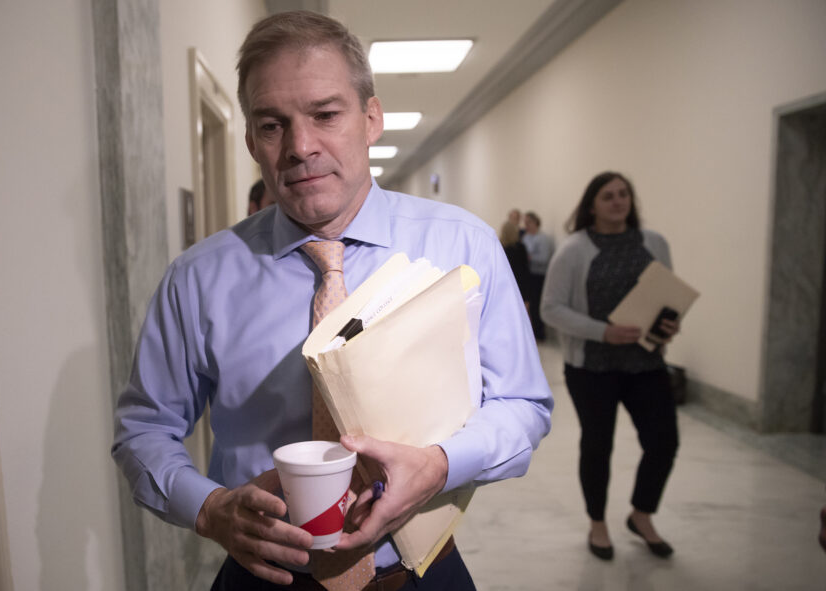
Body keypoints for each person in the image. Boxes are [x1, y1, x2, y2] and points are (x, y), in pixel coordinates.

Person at [112, 11, 552, 591]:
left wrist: (439, 465)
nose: (299, 146)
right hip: (262, 576)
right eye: (272, 125)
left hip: (420, 571)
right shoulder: (197, 278)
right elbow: (144, 429)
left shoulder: (462, 247)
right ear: (250, 141)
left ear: (371, 118)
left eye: (325, 114)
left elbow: (521, 402)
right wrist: (211, 508)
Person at [540, 171, 680, 561]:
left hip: (646, 363)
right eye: (608, 196)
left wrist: (669, 324)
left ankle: (642, 514)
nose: (618, 202)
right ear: (591, 205)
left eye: (624, 195)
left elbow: (666, 298)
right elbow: (551, 309)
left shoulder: (654, 243)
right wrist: (603, 332)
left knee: (664, 441)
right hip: (592, 368)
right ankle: (598, 523)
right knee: (598, 446)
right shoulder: (574, 250)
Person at [521, 212, 554, 341]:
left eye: (528, 222)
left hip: (539, 276)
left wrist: (529, 257)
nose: (526, 225)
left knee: (536, 305)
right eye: (525, 222)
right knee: (528, 306)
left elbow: (544, 258)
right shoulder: (526, 237)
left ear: (536, 222)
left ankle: (539, 334)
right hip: (528, 275)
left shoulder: (543, 239)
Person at [499, 221, 530, 306]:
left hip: (505, 282)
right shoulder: (520, 247)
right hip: (520, 281)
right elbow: (525, 266)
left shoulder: (500, 247)